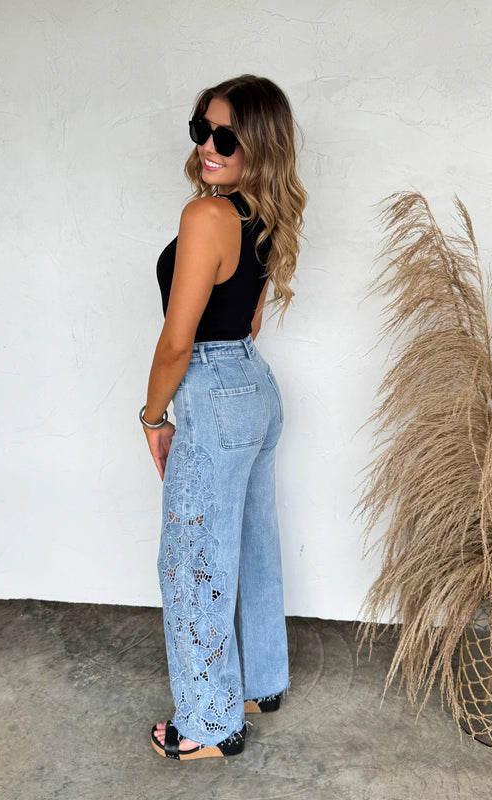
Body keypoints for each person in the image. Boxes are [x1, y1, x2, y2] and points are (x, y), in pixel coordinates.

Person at [140, 75, 306, 761]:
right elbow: (251, 321)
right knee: (251, 543)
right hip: (255, 387)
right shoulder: (266, 213)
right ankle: (259, 683)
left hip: (211, 392)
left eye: (226, 136)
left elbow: (177, 342)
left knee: (193, 561)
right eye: (201, 129)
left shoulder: (205, 217)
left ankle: (209, 725)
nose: (209, 145)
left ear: (257, 145)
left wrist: (154, 416)